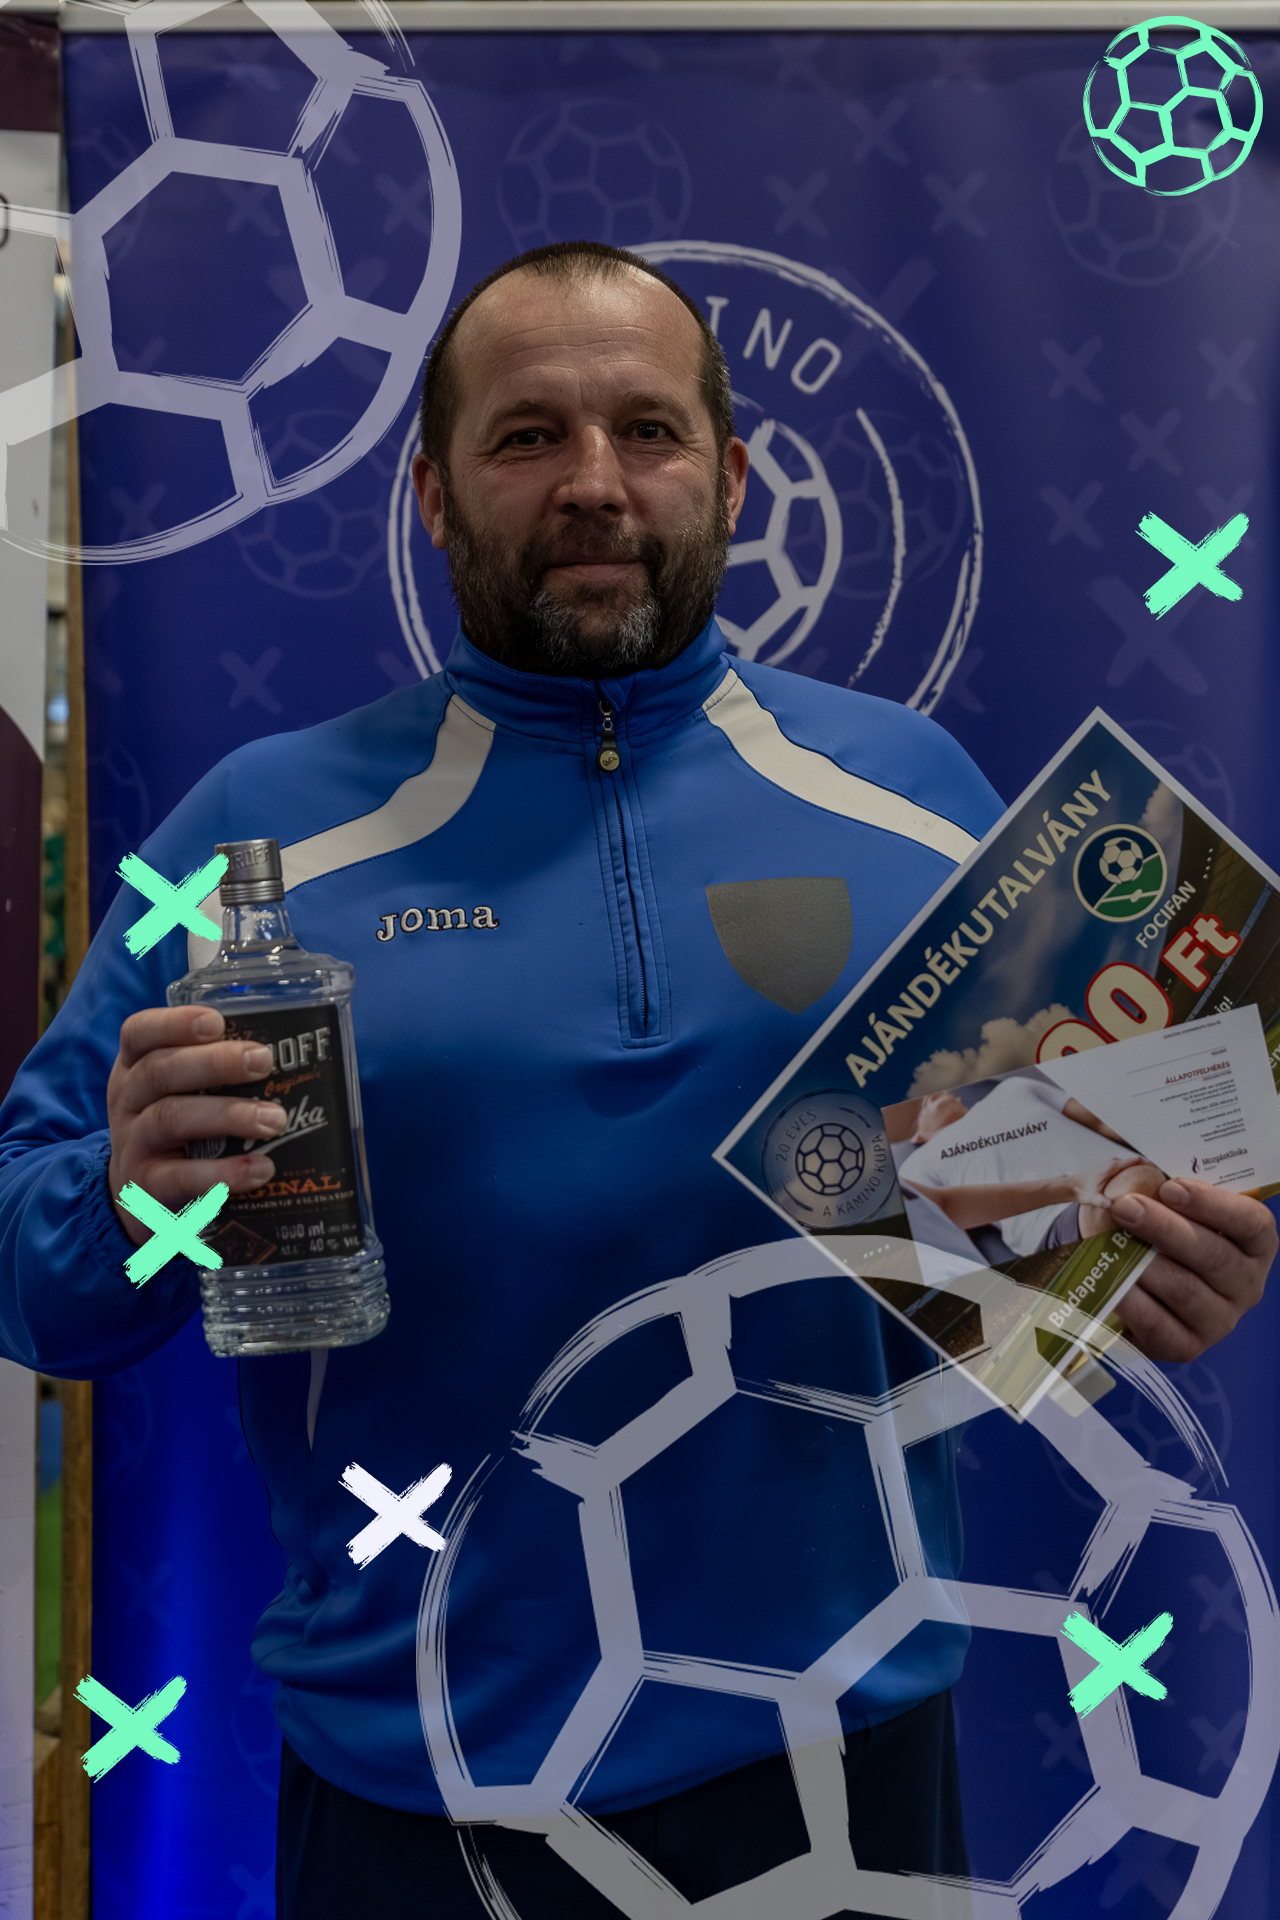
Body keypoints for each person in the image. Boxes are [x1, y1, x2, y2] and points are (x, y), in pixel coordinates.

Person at [0, 242, 1273, 1916]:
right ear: (433, 495)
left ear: (732, 481)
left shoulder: (921, 798)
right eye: (528, 435)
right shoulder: (256, 835)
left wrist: (1160, 1270)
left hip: (845, 1751)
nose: (594, 483)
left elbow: (1039, 1248)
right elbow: (31, 1279)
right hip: (419, 1771)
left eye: (648, 432)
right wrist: (123, 1204)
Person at [898, 1079, 1167, 1254]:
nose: (928, 1095)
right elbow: (952, 1241)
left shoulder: (1013, 1088)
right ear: (916, 1136)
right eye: (921, 1104)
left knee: (1138, 1186)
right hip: (1054, 1220)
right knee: (1133, 1193)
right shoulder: (914, 1168)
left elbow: (1101, 1123)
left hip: (1127, 1167)